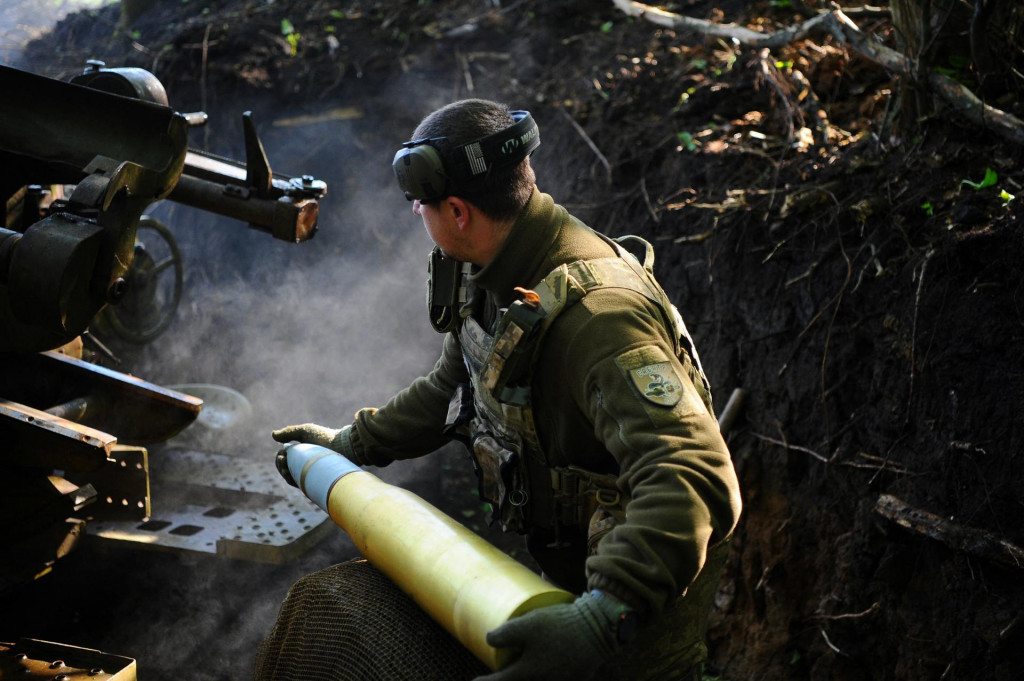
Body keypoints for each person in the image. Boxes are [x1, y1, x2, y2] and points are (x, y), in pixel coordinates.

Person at [268, 99, 742, 681]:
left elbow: (693, 472)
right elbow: (453, 385)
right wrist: (351, 444)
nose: (417, 212)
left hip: (642, 593)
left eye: (422, 203)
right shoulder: (493, 268)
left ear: (459, 212)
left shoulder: (600, 318)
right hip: (573, 568)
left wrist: (603, 616)